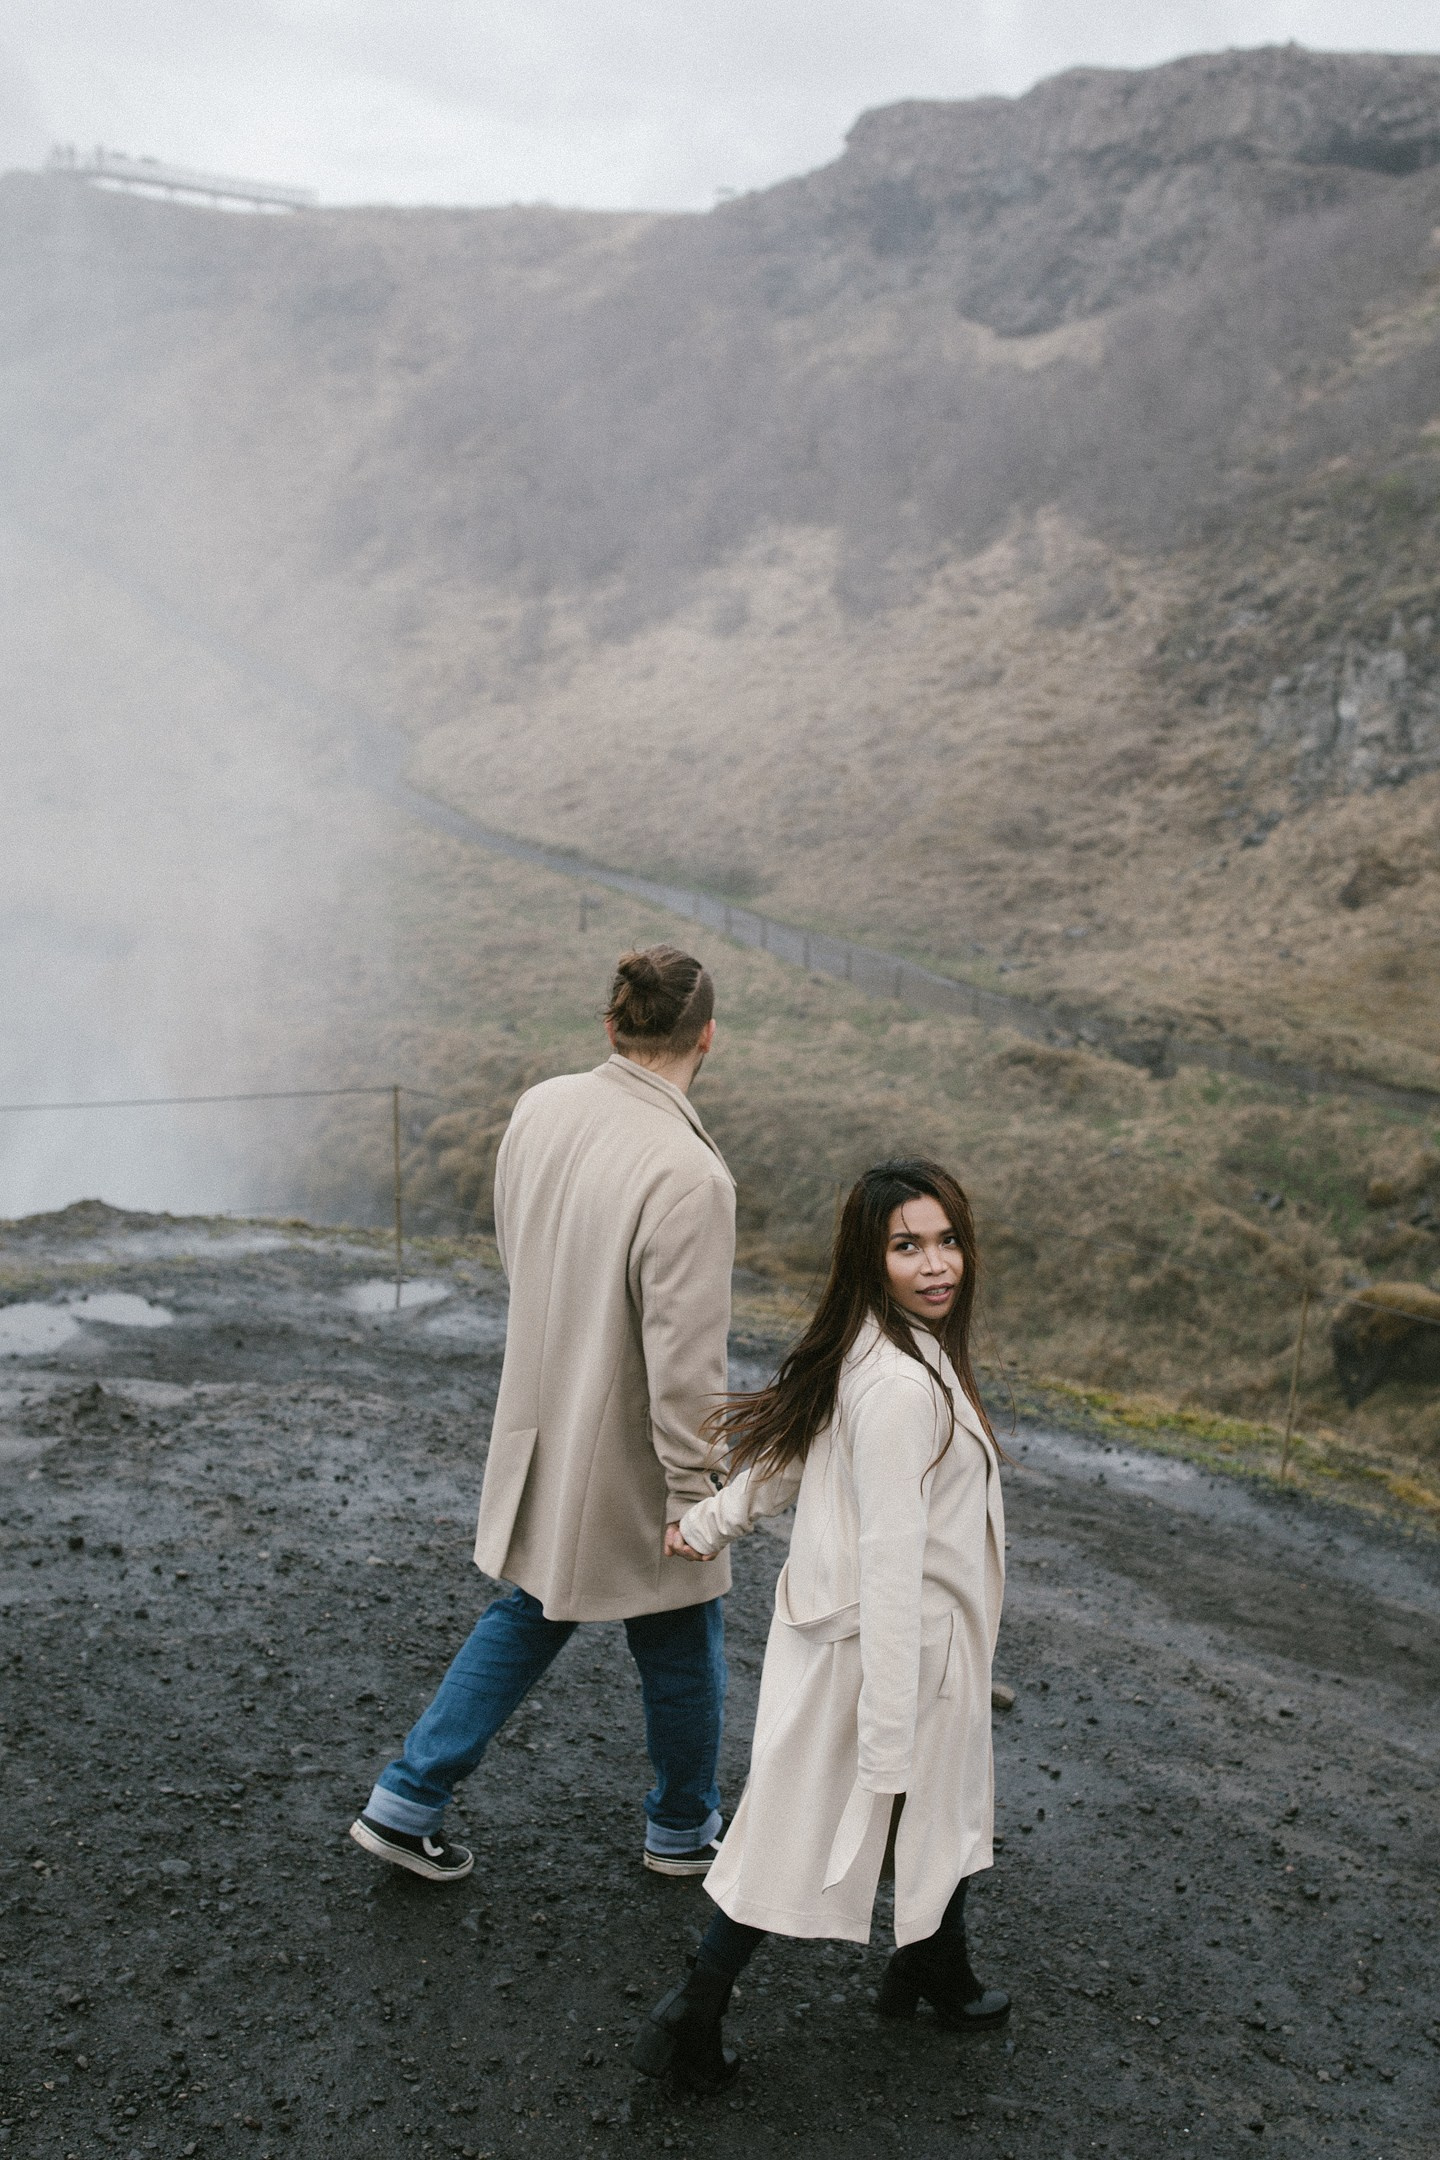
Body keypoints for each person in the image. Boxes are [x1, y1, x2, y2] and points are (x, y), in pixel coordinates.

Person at [350, 945, 736, 1883]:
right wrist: (698, 1496)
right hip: (636, 1458)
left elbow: (521, 1248)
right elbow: (686, 1366)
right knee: (685, 1630)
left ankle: (408, 1798)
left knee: (531, 1606)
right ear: (709, 1039)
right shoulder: (692, 1174)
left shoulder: (540, 1105)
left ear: (613, 1024)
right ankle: (682, 1827)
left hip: (543, 1414)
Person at [634, 1158, 1009, 2093]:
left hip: (905, 1644)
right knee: (797, 1832)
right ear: (868, 1258)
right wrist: (887, 1735)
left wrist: (711, 1520)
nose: (937, 1265)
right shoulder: (898, 1388)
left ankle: (933, 1962)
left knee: (942, 1806)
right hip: (893, 1650)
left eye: (947, 1240)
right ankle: (690, 2015)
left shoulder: (881, 1348)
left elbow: (792, 1450)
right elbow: (889, 1562)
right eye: (908, 1246)